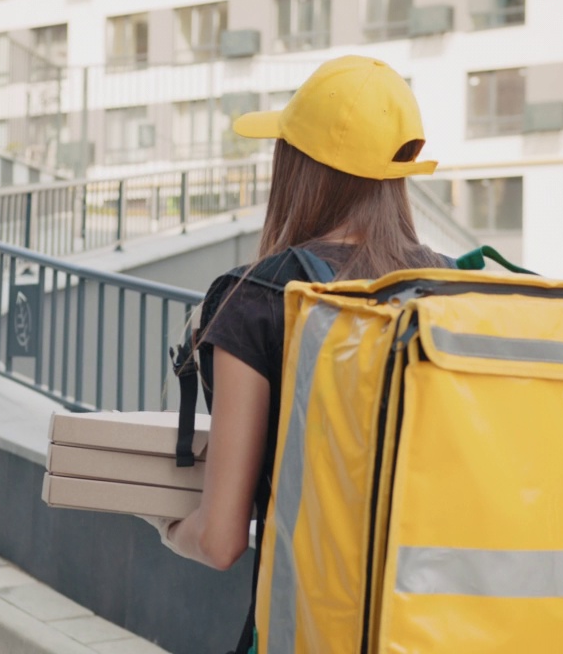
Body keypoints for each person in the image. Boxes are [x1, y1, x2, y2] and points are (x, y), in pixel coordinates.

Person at [148, 55, 453, 653]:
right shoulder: (453, 289)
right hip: (430, 628)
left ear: (297, 168)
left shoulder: (259, 297)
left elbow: (221, 539)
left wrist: (167, 527)